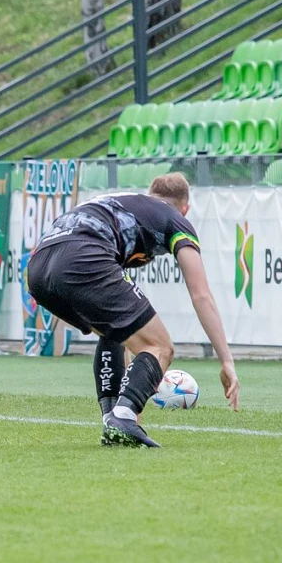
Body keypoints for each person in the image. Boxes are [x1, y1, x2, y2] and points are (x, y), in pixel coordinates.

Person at [25, 174, 239, 449]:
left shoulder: (124, 203)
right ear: (185, 208)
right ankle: (124, 417)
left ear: (150, 194)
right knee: (160, 346)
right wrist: (226, 361)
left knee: (116, 332)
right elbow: (201, 294)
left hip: (38, 269)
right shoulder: (175, 219)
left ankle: (113, 420)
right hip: (82, 258)